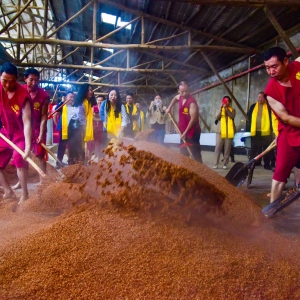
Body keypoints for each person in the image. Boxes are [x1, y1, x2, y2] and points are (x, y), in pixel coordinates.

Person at [263, 46, 300, 203]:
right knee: (280, 172)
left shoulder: (297, 67)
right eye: (267, 68)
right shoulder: (270, 91)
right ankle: (271, 210)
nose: (271, 72)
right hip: (289, 133)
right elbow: (286, 118)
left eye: (274, 66)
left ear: (286, 61)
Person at [0, 62, 32, 203]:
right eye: (4, 81)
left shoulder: (22, 95)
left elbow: (27, 122)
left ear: (17, 78)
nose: (7, 85)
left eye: (11, 81)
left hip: (20, 134)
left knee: (20, 158)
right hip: (6, 131)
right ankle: (8, 191)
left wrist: (27, 147)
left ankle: (25, 194)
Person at [166, 81, 203, 163]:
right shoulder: (180, 97)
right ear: (178, 91)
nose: (185, 93)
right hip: (182, 130)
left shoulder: (191, 102)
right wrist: (169, 107)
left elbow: (193, 119)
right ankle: (185, 170)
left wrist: (185, 133)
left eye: (186, 90)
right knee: (183, 153)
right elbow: (175, 98)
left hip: (192, 131)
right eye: (182, 91)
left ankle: (200, 171)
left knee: (195, 154)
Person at [246, 92, 273, 170]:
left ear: (265, 98)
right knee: (254, 148)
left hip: (266, 132)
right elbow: (249, 117)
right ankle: (251, 163)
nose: (259, 99)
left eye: (261, 97)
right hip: (255, 131)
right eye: (258, 97)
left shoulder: (268, 107)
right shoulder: (253, 106)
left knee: (266, 149)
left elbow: (272, 118)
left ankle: (267, 164)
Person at [213, 96, 236, 170]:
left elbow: (232, 116)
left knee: (227, 148)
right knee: (218, 147)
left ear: (230, 102)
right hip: (220, 131)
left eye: (227, 101)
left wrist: (226, 109)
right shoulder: (218, 109)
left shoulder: (232, 110)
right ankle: (216, 163)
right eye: (224, 101)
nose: (226, 102)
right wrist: (221, 108)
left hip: (229, 131)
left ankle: (225, 163)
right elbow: (216, 117)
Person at [75, 84, 96, 160]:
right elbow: (80, 116)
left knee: (85, 147)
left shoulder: (89, 103)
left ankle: (84, 162)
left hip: (85, 127)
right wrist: (85, 127)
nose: (91, 92)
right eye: (89, 90)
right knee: (81, 147)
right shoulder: (82, 103)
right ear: (84, 91)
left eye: (91, 90)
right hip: (80, 128)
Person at [56, 92, 77, 166]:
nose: (72, 99)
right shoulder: (63, 106)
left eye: (73, 97)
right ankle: (59, 162)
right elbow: (56, 110)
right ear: (66, 98)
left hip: (73, 128)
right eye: (70, 97)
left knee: (72, 146)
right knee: (62, 146)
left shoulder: (75, 106)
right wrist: (62, 102)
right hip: (64, 128)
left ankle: (71, 162)